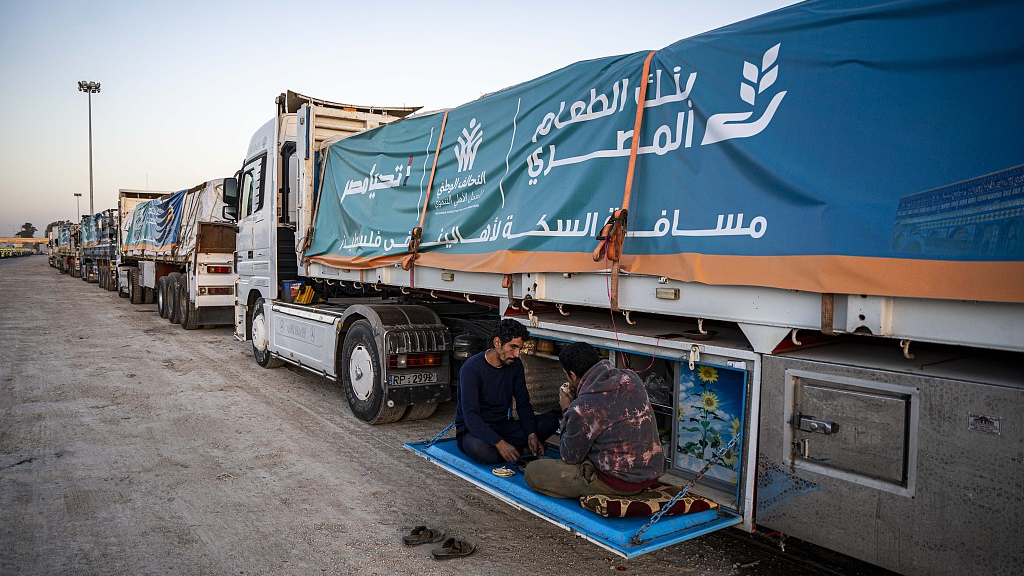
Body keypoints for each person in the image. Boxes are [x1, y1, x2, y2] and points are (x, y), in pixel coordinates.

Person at [525, 342, 664, 498]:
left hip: (619, 482)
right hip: (651, 472)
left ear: (572, 375)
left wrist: (567, 409)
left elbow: (569, 456)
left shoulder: (582, 407)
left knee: (533, 472)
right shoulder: (631, 377)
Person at [455, 319, 560, 464]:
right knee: (483, 451)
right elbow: (470, 417)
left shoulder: (515, 365)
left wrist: (531, 434)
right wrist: (499, 443)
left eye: (519, 349)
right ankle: (520, 450)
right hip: (474, 431)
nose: (516, 354)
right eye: (513, 347)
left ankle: (517, 449)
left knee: (550, 421)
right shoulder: (471, 369)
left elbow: (523, 403)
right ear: (497, 343)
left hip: (502, 426)